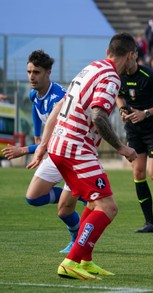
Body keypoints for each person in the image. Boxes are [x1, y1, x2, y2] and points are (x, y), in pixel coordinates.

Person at [27, 32, 138, 280]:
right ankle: (70, 261)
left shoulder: (91, 68)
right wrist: (122, 147)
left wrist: (45, 144)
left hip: (61, 144)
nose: (135, 63)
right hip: (75, 147)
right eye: (135, 58)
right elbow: (98, 115)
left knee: (92, 203)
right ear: (130, 55)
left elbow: (60, 106)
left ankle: (84, 260)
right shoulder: (111, 77)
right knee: (108, 207)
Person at [1, 50, 81, 253]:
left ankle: (76, 237)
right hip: (55, 152)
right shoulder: (34, 93)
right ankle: (77, 194)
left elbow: (57, 136)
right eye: (29, 72)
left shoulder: (59, 99)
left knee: (63, 210)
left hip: (73, 154)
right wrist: (38, 137)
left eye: (36, 72)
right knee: (33, 197)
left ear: (48, 72)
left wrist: (25, 149)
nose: (31, 76)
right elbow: (37, 111)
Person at [116, 52, 153, 233]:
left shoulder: (150, 76)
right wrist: (122, 110)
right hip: (134, 129)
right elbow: (119, 96)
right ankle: (149, 223)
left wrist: (146, 113)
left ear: (133, 56)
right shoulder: (119, 77)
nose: (123, 63)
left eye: (124, 58)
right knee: (138, 172)